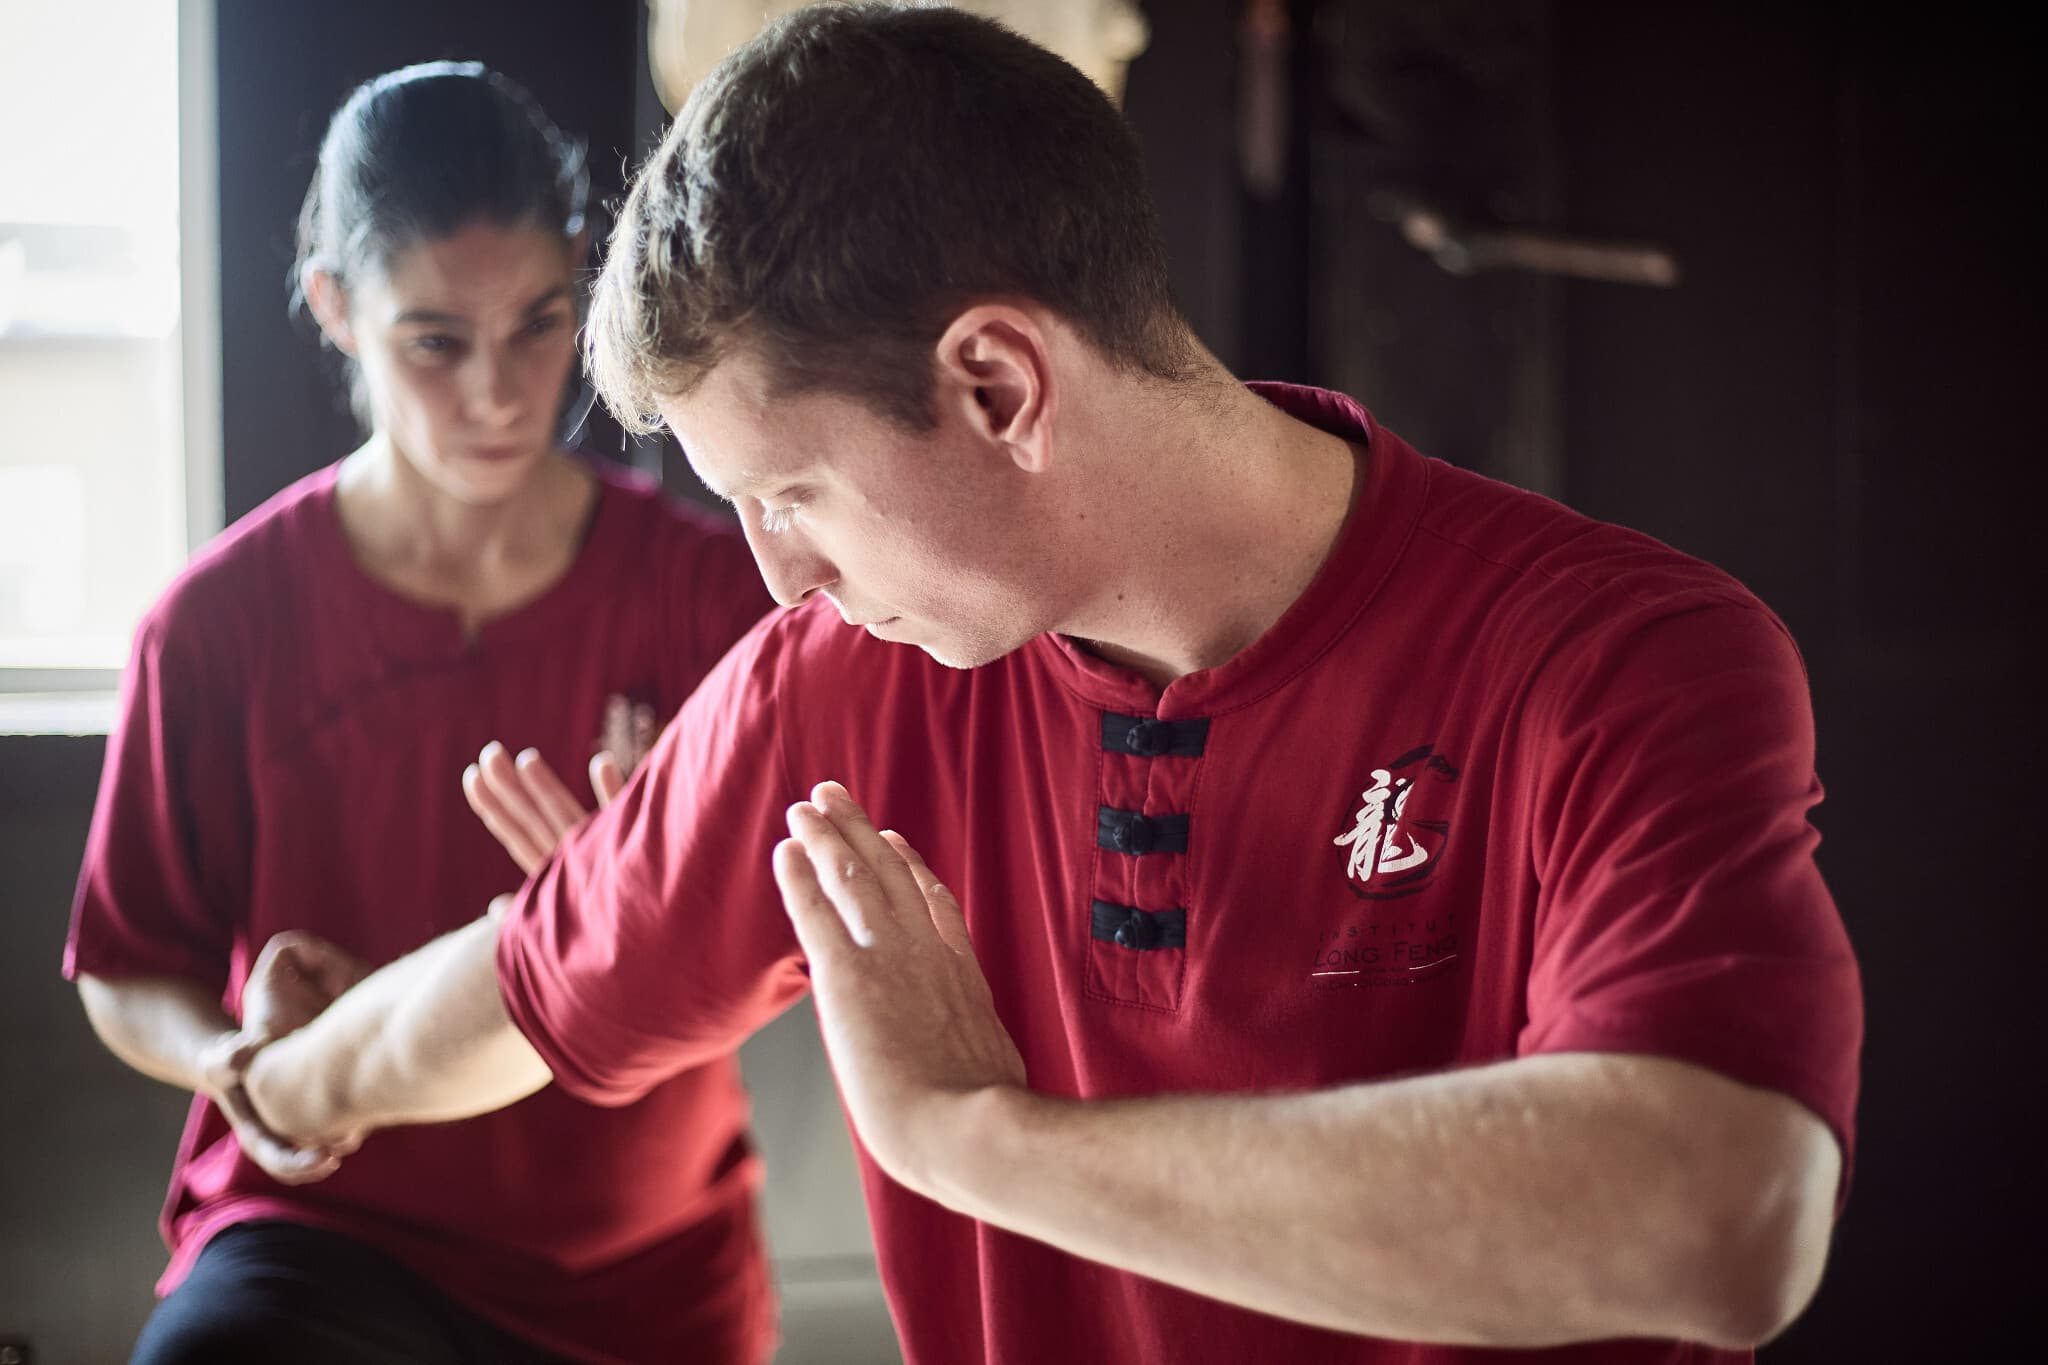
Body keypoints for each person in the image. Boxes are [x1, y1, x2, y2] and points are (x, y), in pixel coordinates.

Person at [238, 8, 1865, 1364]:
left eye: (791, 495)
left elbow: (1724, 1217)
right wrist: (280, 1085)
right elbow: (527, 975)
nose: (779, 577)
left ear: (998, 383)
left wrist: (975, 1134)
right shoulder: (848, 679)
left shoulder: (1618, 654)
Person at [65, 62, 776, 1365]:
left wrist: (646, 907)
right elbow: (125, 967)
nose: (500, 394)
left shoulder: (713, 596)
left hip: (641, 1262)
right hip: (322, 1233)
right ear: (338, 306)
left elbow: (789, 953)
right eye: (437, 343)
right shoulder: (215, 623)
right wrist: (240, 1062)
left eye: (540, 324)